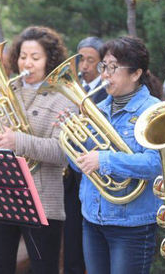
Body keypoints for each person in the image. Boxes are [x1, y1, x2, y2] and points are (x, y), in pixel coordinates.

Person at [0, 26, 77, 274]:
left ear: (50, 60)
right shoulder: (5, 92)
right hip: (2, 194)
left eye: (35, 58)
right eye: (23, 56)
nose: (27, 63)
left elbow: (62, 152)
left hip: (43, 199)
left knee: (42, 268)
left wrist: (20, 141)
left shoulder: (63, 98)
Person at [72, 36, 163, 274]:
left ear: (135, 74)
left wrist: (104, 160)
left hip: (131, 224)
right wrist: (70, 139)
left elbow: (156, 163)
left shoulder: (153, 110)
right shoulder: (96, 109)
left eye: (113, 68)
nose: (105, 75)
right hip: (93, 218)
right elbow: (78, 165)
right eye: (104, 67)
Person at [62, 36, 108, 274]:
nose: (85, 66)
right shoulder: (73, 89)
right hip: (72, 178)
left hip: (97, 177)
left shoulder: (106, 91)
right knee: (72, 243)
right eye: (81, 60)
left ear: (102, 64)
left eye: (91, 60)